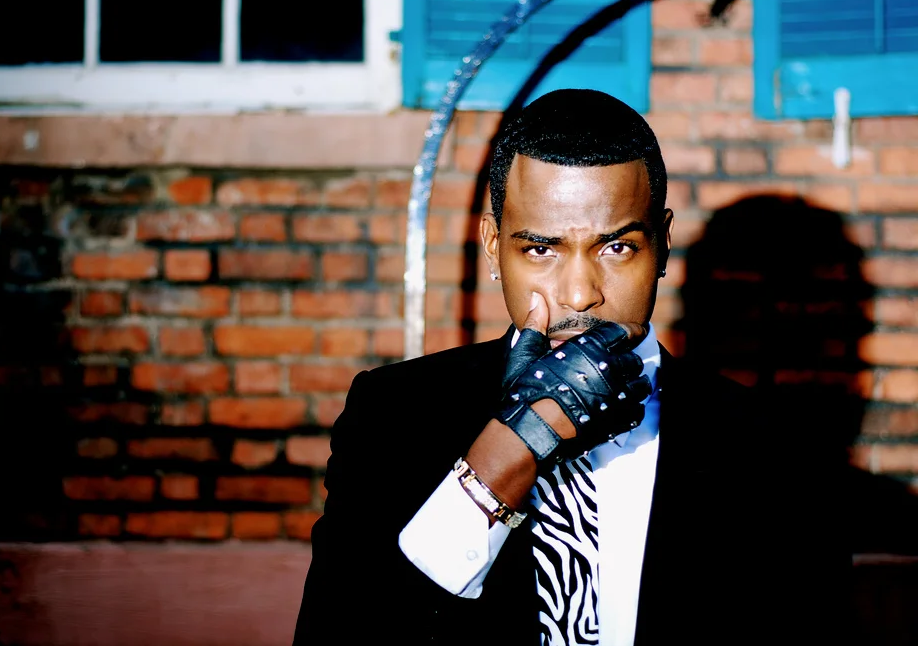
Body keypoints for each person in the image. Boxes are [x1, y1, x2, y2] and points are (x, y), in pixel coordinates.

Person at [293, 89, 844, 645]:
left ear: (663, 245)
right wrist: (510, 450)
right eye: (540, 250)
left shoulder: (777, 447)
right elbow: (340, 630)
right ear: (492, 245)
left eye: (615, 248)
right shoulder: (394, 413)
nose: (580, 295)